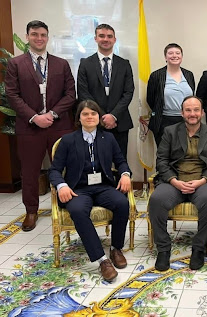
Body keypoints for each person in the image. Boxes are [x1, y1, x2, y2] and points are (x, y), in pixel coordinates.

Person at [48, 100, 132, 282]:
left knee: (122, 203)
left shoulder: (108, 138)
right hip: (78, 189)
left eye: (93, 113)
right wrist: (62, 186)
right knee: (78, 210)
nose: (90, 117)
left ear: (98, 117)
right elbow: (54, 170)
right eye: (85, 114)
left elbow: (121, 161)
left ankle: (116, 248)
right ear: (79, 118)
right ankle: (102, 260)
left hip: (103, 186)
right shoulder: (68, 140)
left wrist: (125, 174)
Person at [5, 20, 76, 232]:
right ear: (27, 36)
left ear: (47, 37)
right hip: (30, 127)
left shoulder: (61, 64)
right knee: (29, 171)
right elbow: (12, 95)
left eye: (43, 34)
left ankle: (68, 206)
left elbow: (70, 94)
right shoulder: (16, 64)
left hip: (59, 125)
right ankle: (31, 211)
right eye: (34, 34)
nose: (39, 38)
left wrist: (52, 114)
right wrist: (35, 117)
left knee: (66, 167)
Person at [148, 96, 207, 271]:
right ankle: (164, 249)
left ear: (202, 112)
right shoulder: (170, 132)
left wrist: (202, 181)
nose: (192, 114)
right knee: (156, 200)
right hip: (175, 181)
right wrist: (175, 181)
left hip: (203, 181)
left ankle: (198, 248)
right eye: (188, 110)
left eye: (196, 110)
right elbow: (161, 160)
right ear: (182, 113)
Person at [77, 23, 134, 159]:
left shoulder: (124, 64)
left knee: (120, 160)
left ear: (114, 39)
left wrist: (113, 116)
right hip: (94, 122)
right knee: (96, 161)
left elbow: (128, 92)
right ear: (95, 38)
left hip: (119, 122)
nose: (105, 39)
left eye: (109, 36)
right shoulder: (85, 63)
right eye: (101, 36)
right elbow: (83, 93)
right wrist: (103, 117)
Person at [147, 43, 195, 146]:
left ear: (181, 56)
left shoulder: (189, 74)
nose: (174, 55)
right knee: (165, 156)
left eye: (178, 53)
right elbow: (150, 99)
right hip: (164, 122)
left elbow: (192, 96)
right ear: (165, 57)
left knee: (186, 154)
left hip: (186, 121)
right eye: (170, 53)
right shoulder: (156, 76)